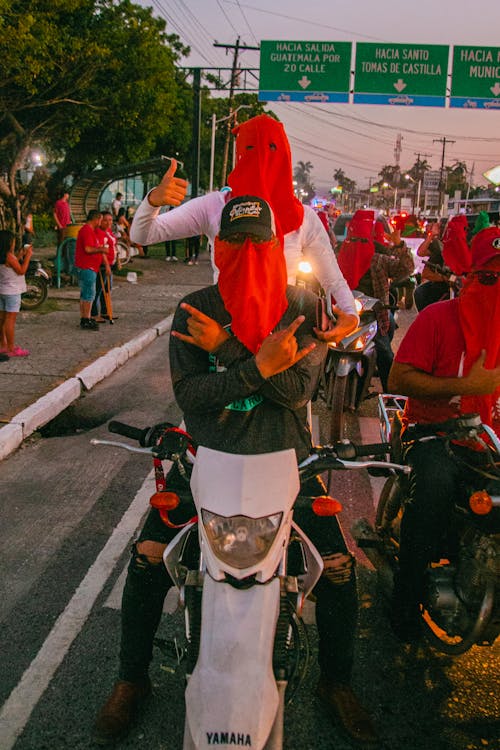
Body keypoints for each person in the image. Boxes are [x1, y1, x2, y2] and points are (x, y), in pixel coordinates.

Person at [93, 196, 378, 747]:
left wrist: (226, 348)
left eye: (259, 242)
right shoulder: (193, 307)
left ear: (275, 246)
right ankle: (131, 680)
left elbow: (298, 392)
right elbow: (193, 400)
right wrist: (264, 364)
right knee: (148, 557)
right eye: (236, 241)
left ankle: (336, 683)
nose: (248, 252)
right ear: (219, 247)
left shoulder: (303, 306)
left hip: (288, 462)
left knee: (340, 568)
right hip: (207, 457)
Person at [130, 114, 359, 345]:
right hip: (222, 333)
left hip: (282, 337)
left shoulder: (304, 219)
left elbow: (333, 280)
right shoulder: (214, 207)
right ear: (240, 155)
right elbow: (143, 235)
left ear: (284, 154)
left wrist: (351, 315)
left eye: (271, 148)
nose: (261, 160)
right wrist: (152, 202)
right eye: (251, 148)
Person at [387, 219, 500, 642]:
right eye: (489, 277)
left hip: (489, 445)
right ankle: (405, 604)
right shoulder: (438, 318)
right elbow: (398, 379)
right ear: (469, 278)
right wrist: (464, 388)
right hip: (433, 435)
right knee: (432, 492)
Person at [337, 210, 415, 392]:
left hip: (373, 315)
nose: (358, 246)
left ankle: (391, 396)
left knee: (386, 354)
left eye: (362, 240)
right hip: (340, 314)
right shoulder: (337, 254)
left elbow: (407, 268)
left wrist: (399, 244)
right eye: (355, 240)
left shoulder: (378, 259)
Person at [74, 210, 110, 330]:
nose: (100, 222)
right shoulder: (87, 230)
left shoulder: (90, 231)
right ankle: (86, 318)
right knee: (89, 293)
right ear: (96, 219)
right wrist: (101, 250)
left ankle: (85, 317)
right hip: (87, 266)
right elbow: (88, 249)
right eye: (100, 219)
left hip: (90, 267)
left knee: (86, 293)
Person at [0, 230, 32, 357]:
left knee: (1, 319)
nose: (14, 244)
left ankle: (2, 345)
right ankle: (11, 348)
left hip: (2, 290)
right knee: (10, 320)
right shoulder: (9, 256)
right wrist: (28, 256)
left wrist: (19, 257)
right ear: (8, 243)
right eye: (13, 242)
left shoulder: (3, 256)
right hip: (12, 292)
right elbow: (21, 270)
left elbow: (10, 268)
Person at [92, 211, 118, 322]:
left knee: (107, 289)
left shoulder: (109, 232)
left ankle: (105, 311)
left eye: (110, 220)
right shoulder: (99, 232)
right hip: (102, 265)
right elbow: (102, 250)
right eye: (105, 220)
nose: (108, 223)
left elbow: (114, 246)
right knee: (98, 289)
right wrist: (106, 264)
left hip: (111, 263)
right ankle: (94, 314)